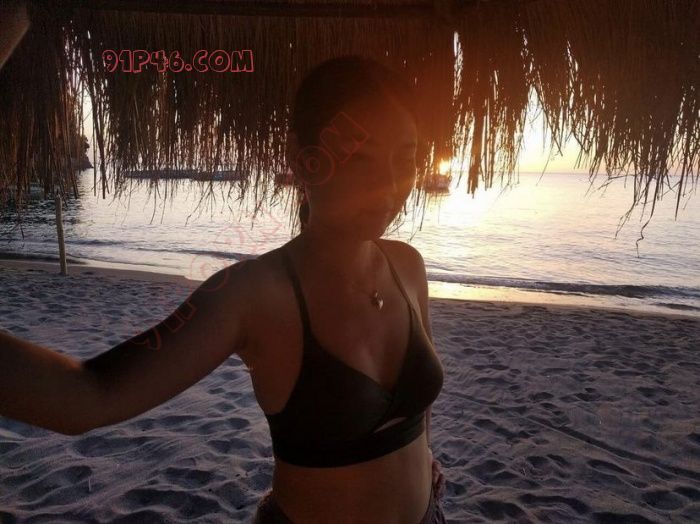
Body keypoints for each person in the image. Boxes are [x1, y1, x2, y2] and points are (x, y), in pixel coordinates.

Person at [0, 55, 447, 523]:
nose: (389, 184)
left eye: (406, 157)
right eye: (359, 157)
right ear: (301, 158)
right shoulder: (255, 294)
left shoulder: (407, 267)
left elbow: (417, 409)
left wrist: (423, 452)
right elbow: (89, 396)